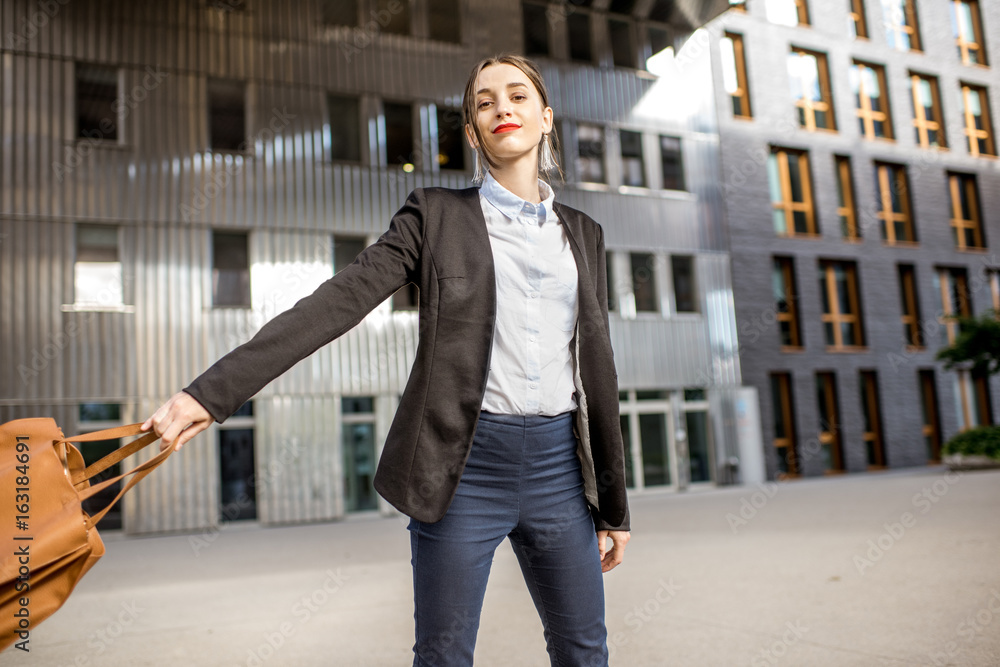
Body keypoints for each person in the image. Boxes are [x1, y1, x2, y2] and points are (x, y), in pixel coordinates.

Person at [143, 54, 631, 666]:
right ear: (475, 132)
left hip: (559, 473)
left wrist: (612, 503)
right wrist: (210, 394)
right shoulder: (435, 215)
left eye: (517, 96)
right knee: (444, 655)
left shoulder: (582, 233)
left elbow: (599, 372)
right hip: (462, 472)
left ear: (545, 118)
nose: (502, 107)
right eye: (484, 102)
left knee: (585, 651)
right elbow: (337, 302)